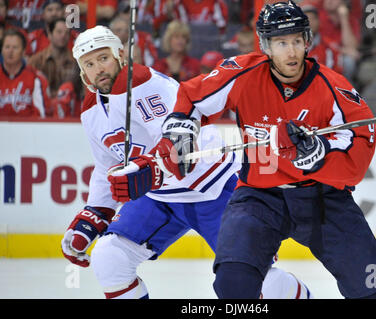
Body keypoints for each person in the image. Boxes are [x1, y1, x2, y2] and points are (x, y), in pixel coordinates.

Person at [150, 1, 376, 299]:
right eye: (281, 43)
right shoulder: (242, 74)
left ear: (307, 41)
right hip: (259, 195)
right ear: (266, 45)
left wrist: (321, 154)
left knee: (372, 291)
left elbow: (359, 150)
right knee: (233, 286)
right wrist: (181, 131)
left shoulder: (334, 89)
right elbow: (191, 96)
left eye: (296, 41)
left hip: (321, 197)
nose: (291, 52)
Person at [61, 25, 312, 299]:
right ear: (82, 71)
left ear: (121, 55)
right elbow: (107, 164)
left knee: (252, 281)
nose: (99, 68)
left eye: (103, 58)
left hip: (213, 188)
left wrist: (153, 167)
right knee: (109, 258)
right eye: (90, 64)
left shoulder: (150, 85)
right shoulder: (91, 111)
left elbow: (181, 141)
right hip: (159, 197)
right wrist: (94, 213)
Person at [0, 28, 50, 118]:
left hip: (28, 130)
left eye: (15, 47)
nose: (10, 51)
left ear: (23, 52)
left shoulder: (36, 78)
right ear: (2, 50)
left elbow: (42, 117)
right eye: (7, 47)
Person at [28, 17, 78, 99]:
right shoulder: (36, 61)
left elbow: (81, 93)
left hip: (68, 107)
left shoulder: (76, 61)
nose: (63, 35)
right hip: (44, 106)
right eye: (59, 32)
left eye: (66, 33)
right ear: (49, 34)